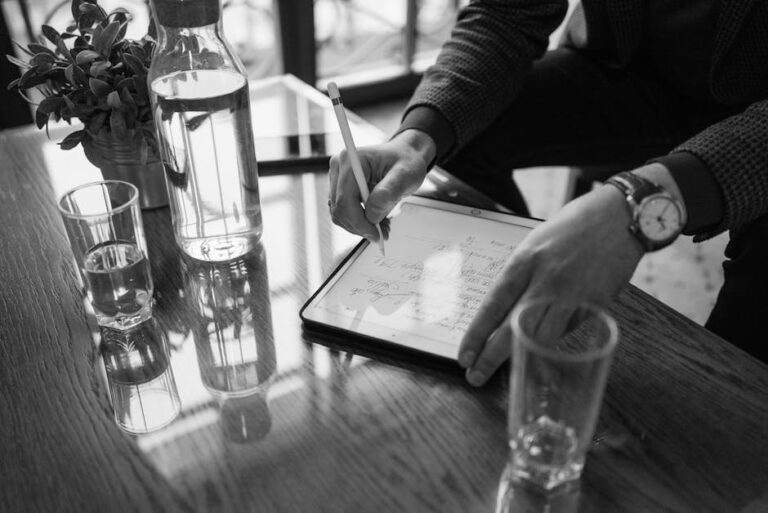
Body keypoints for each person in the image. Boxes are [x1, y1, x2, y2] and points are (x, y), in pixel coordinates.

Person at [327, 0, 768, 385]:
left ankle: (725, 430)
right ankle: (505, 304)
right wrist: (418, 138)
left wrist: (637, 203)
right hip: (633, 71)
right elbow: (509, 11)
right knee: (460, 133)